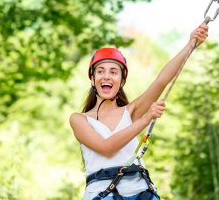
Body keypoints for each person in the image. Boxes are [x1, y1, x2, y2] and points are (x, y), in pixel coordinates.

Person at [69, 23, 208, 199]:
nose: (106, 76)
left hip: (141, 192)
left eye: (113, 72)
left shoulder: (131, 111)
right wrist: (145, 119)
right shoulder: (79, 120)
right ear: (92, 78)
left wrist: (190, 44)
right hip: (103, 195)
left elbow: (161, 81)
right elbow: (106, 148)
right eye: (100, 71)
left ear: (122, 80)